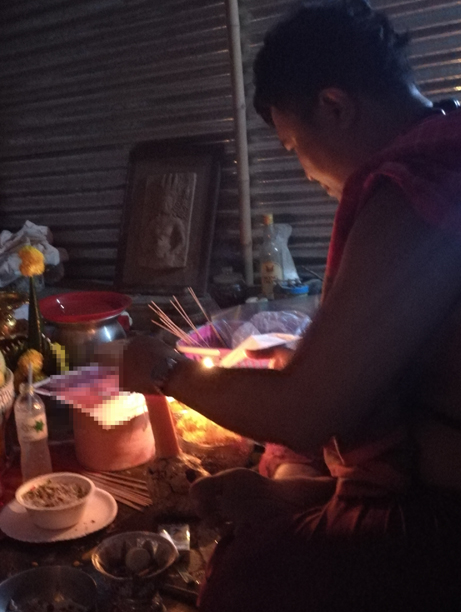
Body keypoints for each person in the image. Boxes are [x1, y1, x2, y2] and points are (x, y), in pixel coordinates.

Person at [116, 1, 461, 610]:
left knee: (244, 576)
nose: (303, 173)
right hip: (421, 485)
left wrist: (167, 369)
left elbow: (304, 411)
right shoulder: (444, 145)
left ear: (335, 106)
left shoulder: (422, 189)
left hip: (439, 528)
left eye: (295, 145)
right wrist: (295, 495)